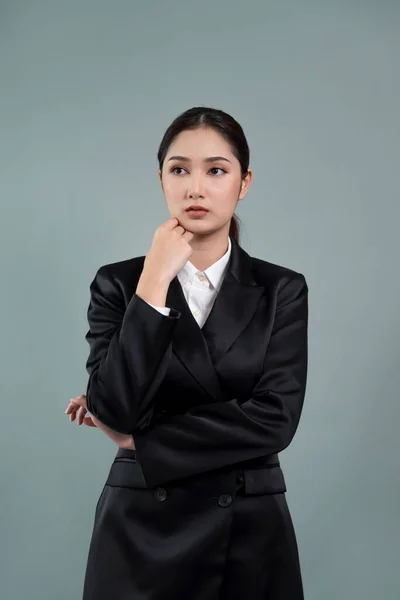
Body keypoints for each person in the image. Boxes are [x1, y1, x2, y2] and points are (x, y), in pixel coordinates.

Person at [65, 106, 309, 600]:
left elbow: (275, 419)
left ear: (243, 183)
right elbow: (115, 409)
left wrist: (143, 443)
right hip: (140, 533)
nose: (196, 187)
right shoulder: (118, 283)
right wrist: (153, 281)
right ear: (161, 180)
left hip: (248, 530)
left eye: (216, 170)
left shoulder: (281, 287)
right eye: (179, 170)